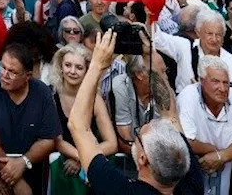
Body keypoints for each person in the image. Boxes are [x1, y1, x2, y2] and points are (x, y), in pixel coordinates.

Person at [70, 31, 190, 195]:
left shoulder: (120, 189)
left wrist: (97, 64)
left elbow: (78, 126)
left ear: (143, 158)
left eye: (139, 136)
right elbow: (171, 115)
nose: (147, 124)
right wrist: (149, 55)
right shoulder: (190, 181)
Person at [0, 43, 60, 195]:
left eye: (12, 72)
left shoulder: (42, 92)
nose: (4, 75)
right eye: (3, 67)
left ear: (27, 76)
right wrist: (14, 177)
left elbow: (48, 140)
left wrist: (23, 162)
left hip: (34, 170)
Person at [175, 56, 232, 194]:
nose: (222, 88)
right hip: (189, 178)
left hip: (223, 180)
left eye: (226, 82)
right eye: (215, 81)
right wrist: (213, 150)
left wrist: (221, 157)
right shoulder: (188, 95)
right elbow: (186, 142)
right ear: (201, 81)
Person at [48, 44, 115, 195]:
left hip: (89, 169)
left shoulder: (95, 100)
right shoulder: (50, 95)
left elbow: (112, 144)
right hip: (60, 167)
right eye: (68, 65)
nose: (72, 71)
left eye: (79, 67)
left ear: (87, 71)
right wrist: (84, 156)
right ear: (60, 66)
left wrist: (82, 160)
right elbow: (56, 140)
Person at [154, 9, 232, 89]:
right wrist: (151, 14)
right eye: (209, 34)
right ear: (198, 33)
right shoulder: (185, 47)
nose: (214, 39)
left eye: (218, 35)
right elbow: (158, 39)